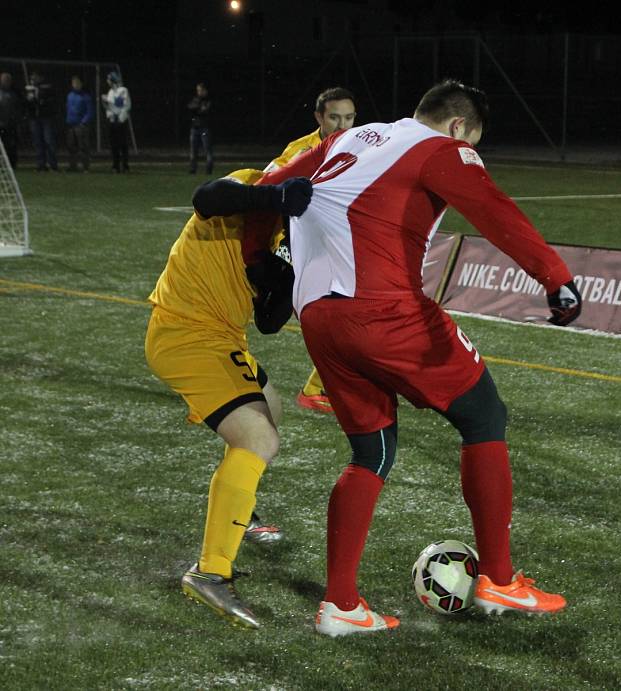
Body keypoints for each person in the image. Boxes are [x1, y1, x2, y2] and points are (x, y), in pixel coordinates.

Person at [255, 79, 582, 637]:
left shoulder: (351, 138)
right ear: (459, 127)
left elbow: (264, 188)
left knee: (371, 451)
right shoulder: (442, 148)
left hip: (318, 320)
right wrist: (555, 278)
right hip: (383, 311)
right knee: (483, 415)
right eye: (472, 140)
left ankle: (340, 606)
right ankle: (499, 579)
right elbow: (492, 208)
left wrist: (259, 270)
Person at [145, 170, 313, 628]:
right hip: (185, 332)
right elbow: (207, 195)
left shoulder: (287, 229)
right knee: (258, 439)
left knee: (269, 412)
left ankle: (238, 507)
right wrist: (274, 194)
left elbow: (268, 321)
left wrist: (287, 277)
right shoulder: (250, 186)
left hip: (222, 338)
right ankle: (210, 573)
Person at [264, 86, 357, 415]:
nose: (343, 126)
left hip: (336, 245)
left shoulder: (360, 144)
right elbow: (269, 183)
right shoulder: (302, 150)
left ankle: (320, 388)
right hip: (299, 247)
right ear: (319, 117)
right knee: (276, 317)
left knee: (345, 312)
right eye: (334, 117)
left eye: (349, 118)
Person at [24, 71, 58, 172]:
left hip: (46, 118)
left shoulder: (47, 88)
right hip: (34, 118)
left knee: (49, 141)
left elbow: (52, 102)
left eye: (35, 77)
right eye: (32, 77)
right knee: (38, 142)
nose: (33, 79)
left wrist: (42, 101)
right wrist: (29, 100)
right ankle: (41, 165)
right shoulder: (29, 89)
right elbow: (26, 104)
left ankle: (52, 165)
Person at [102, 72, 131, 173]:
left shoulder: (123, 90)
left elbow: (126, 105)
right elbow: (110, 108)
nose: (107, 81)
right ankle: (115, 165)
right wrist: (106, 105)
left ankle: (125, 166)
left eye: (108, 79)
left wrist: (120, 118)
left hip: (121, 122)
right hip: (112, 121)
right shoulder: (110, 92)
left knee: (123, 144)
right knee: (114, 144)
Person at [65, 76, 94, 173]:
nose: (75, 85)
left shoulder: (86, 97)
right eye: (74, 83)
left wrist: (83, 122)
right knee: (71, 147)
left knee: (83, 147)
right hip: (71, 125)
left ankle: (85, 167)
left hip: (80, 125)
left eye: (77, 83)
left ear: (81, 84)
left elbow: (90, 111)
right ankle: (73, 166)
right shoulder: (70, 95)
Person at [188, 82, 213, 175]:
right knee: (193, 151)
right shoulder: (196, 99)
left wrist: (197, 109)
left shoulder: (208, 100)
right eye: (198, 90)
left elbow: (205, 110)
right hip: (194, 128)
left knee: (207, 150)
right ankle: (192, 169)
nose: (199, 92)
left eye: (201, 90)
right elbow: (190, 107)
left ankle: (209, 170)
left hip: (204, 128)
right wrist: (198, 108)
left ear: (205, 90)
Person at [0, 72, 23, 169]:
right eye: (4, 80)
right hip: (1, 123)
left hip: (11, 124)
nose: (6, 82)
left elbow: (19, 108)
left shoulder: (15, 93)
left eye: (7, 80)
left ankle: (12, 164)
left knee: (11, 146)